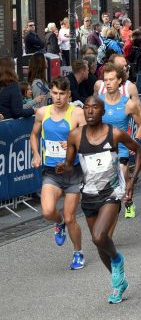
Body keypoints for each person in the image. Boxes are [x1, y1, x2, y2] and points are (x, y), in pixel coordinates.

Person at [57, 95, 141, 304]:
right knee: (100, 244)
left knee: (98, 236)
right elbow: (70, 164)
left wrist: (131, 179)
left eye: (94, 108)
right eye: (86, 108)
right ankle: (118, 283)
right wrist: (64, 167)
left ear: (102, 111)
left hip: (111, 192)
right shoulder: (75, 135)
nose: (89, 111)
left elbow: (138, 150)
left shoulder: (114, 134)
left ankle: (117, 259)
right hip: (88, 194)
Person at [30, 77, 87, 268]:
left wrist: (74, 143)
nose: (58, 97)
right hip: (51, 171)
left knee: (72, 218)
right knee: (47, 211)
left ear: (69, 95)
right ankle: (58, 221)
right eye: (54, 93)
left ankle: (78, 252)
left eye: (62, 94)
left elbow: (89, 137)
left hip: (73, 171)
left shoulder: (77, 113)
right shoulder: (42, 112)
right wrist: (36, 154)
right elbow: (33, 135)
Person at [99, 63, 141, 219]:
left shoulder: (128, 104)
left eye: (111, 79)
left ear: (119, 81)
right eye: (105, 80)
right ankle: (109, 209)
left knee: (121, 178)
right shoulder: (98, 101)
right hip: (102, 148)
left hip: (121, 149)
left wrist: (135, 142)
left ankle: (127, 201)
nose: (108, 83)